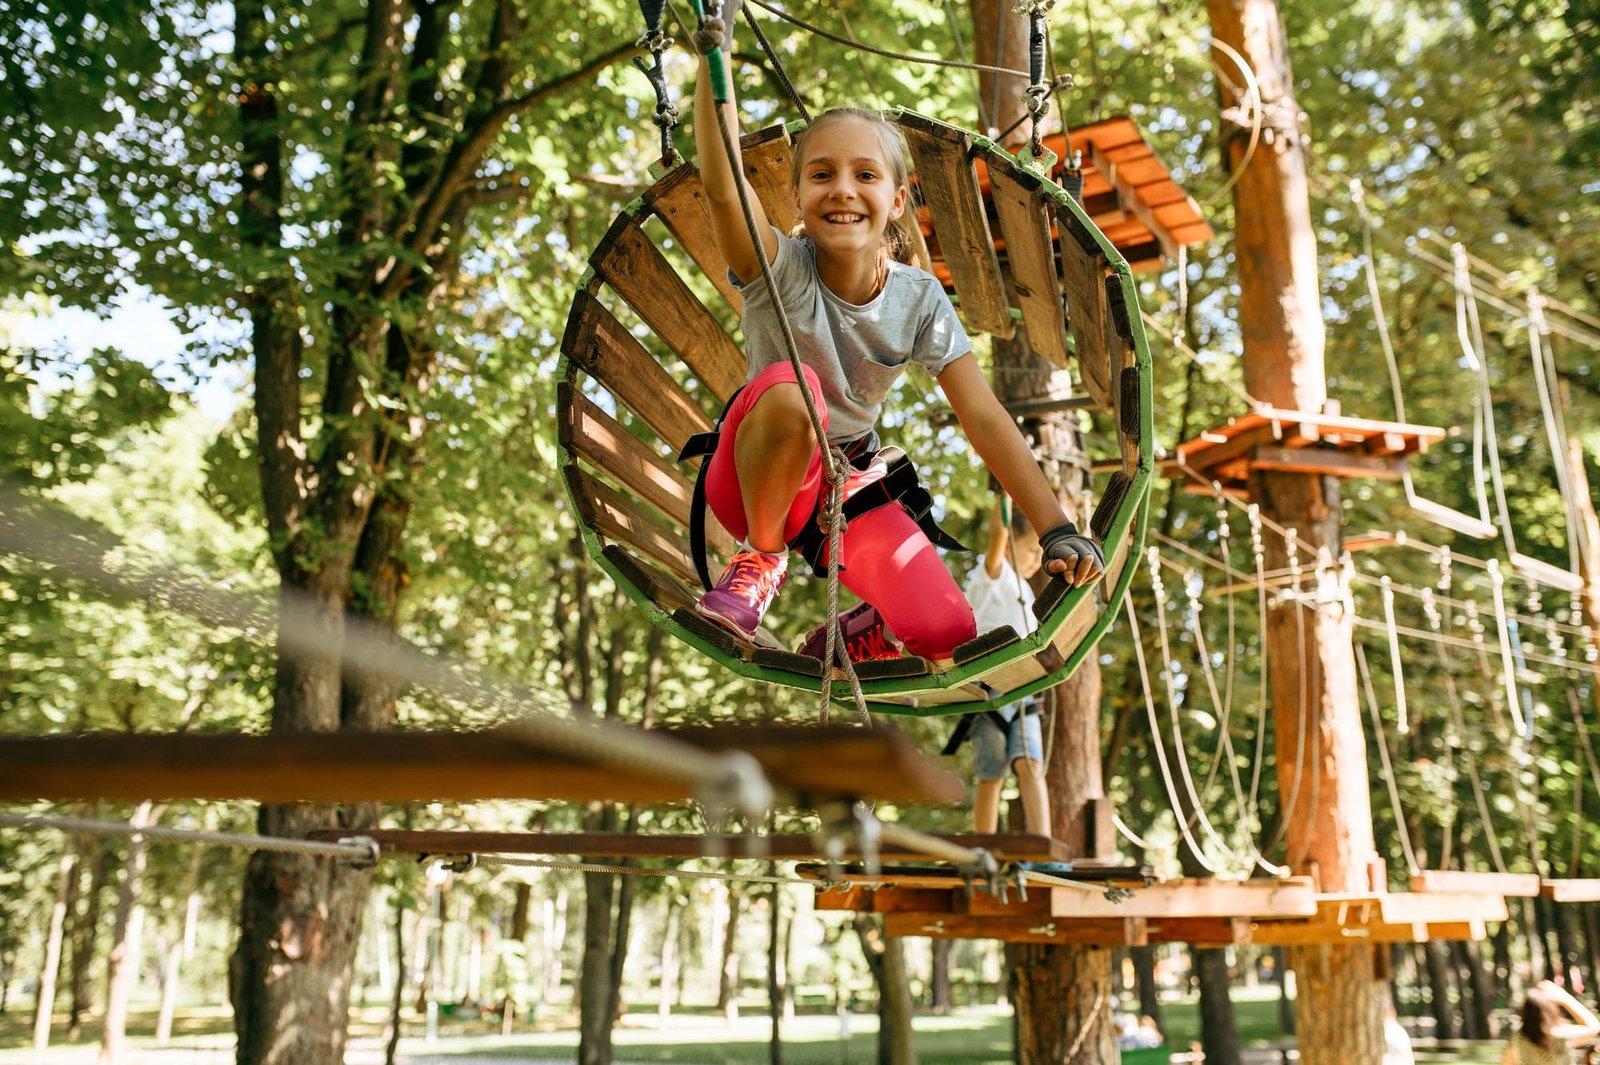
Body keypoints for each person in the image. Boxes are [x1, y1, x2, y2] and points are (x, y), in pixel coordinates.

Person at [688, 14, 1103, 657]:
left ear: (899, 199)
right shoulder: (778, 269)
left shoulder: (919, 299)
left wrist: (1055, 527)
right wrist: (715, 62)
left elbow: (982, 415)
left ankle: (860, 630)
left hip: (843, 488)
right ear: (796, 198)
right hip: (755, 474)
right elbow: (723, 190)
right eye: (821, 175)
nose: (843, 190)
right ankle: (761, 560)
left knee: (946, 630)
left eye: (865, 175)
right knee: (795, 389)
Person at [951, 501, 1049, 835]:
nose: (1037, 560)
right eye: (1032, 551)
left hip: (1022, 690)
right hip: (988, 689)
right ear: (1009, 545)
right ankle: (985, 845)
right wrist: (1003, 495)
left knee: (1031, 764)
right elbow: (998, 533)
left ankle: (1041, 842)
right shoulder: (993, 575)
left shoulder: (1024, 590)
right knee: (992, 774)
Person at [1503, 980, 1600, 1065]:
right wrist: (1565, 998)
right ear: (1550, 1010)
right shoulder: (1559, 1035)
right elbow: (1595, 1028)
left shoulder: (1518, 1037)